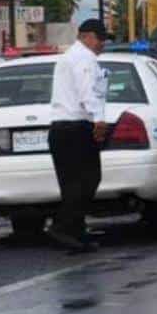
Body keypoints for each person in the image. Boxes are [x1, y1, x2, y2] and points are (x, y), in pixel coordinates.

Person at [47, 18, 112, 252]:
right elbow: (87, 90)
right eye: (100, 38)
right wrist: (99, 119)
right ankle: (63, 227)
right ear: (86, 36)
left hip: (61, 128)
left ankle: (75, 231)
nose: (103, 43)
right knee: (88, 179)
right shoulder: (84, 58)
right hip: (76, 127)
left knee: (72, 184)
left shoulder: (70, 57)